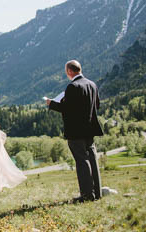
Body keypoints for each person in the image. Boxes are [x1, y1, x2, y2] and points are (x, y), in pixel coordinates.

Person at [46, 60, 104, 202]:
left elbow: (67, 108)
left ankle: (86, 195)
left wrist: (51, 103)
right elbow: (97, 105)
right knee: (92, 158)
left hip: (76, 131)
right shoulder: (92, 84)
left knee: (82, 161)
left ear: (69, 72)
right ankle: (97, 192)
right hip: (89, 129)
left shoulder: (72, 86)